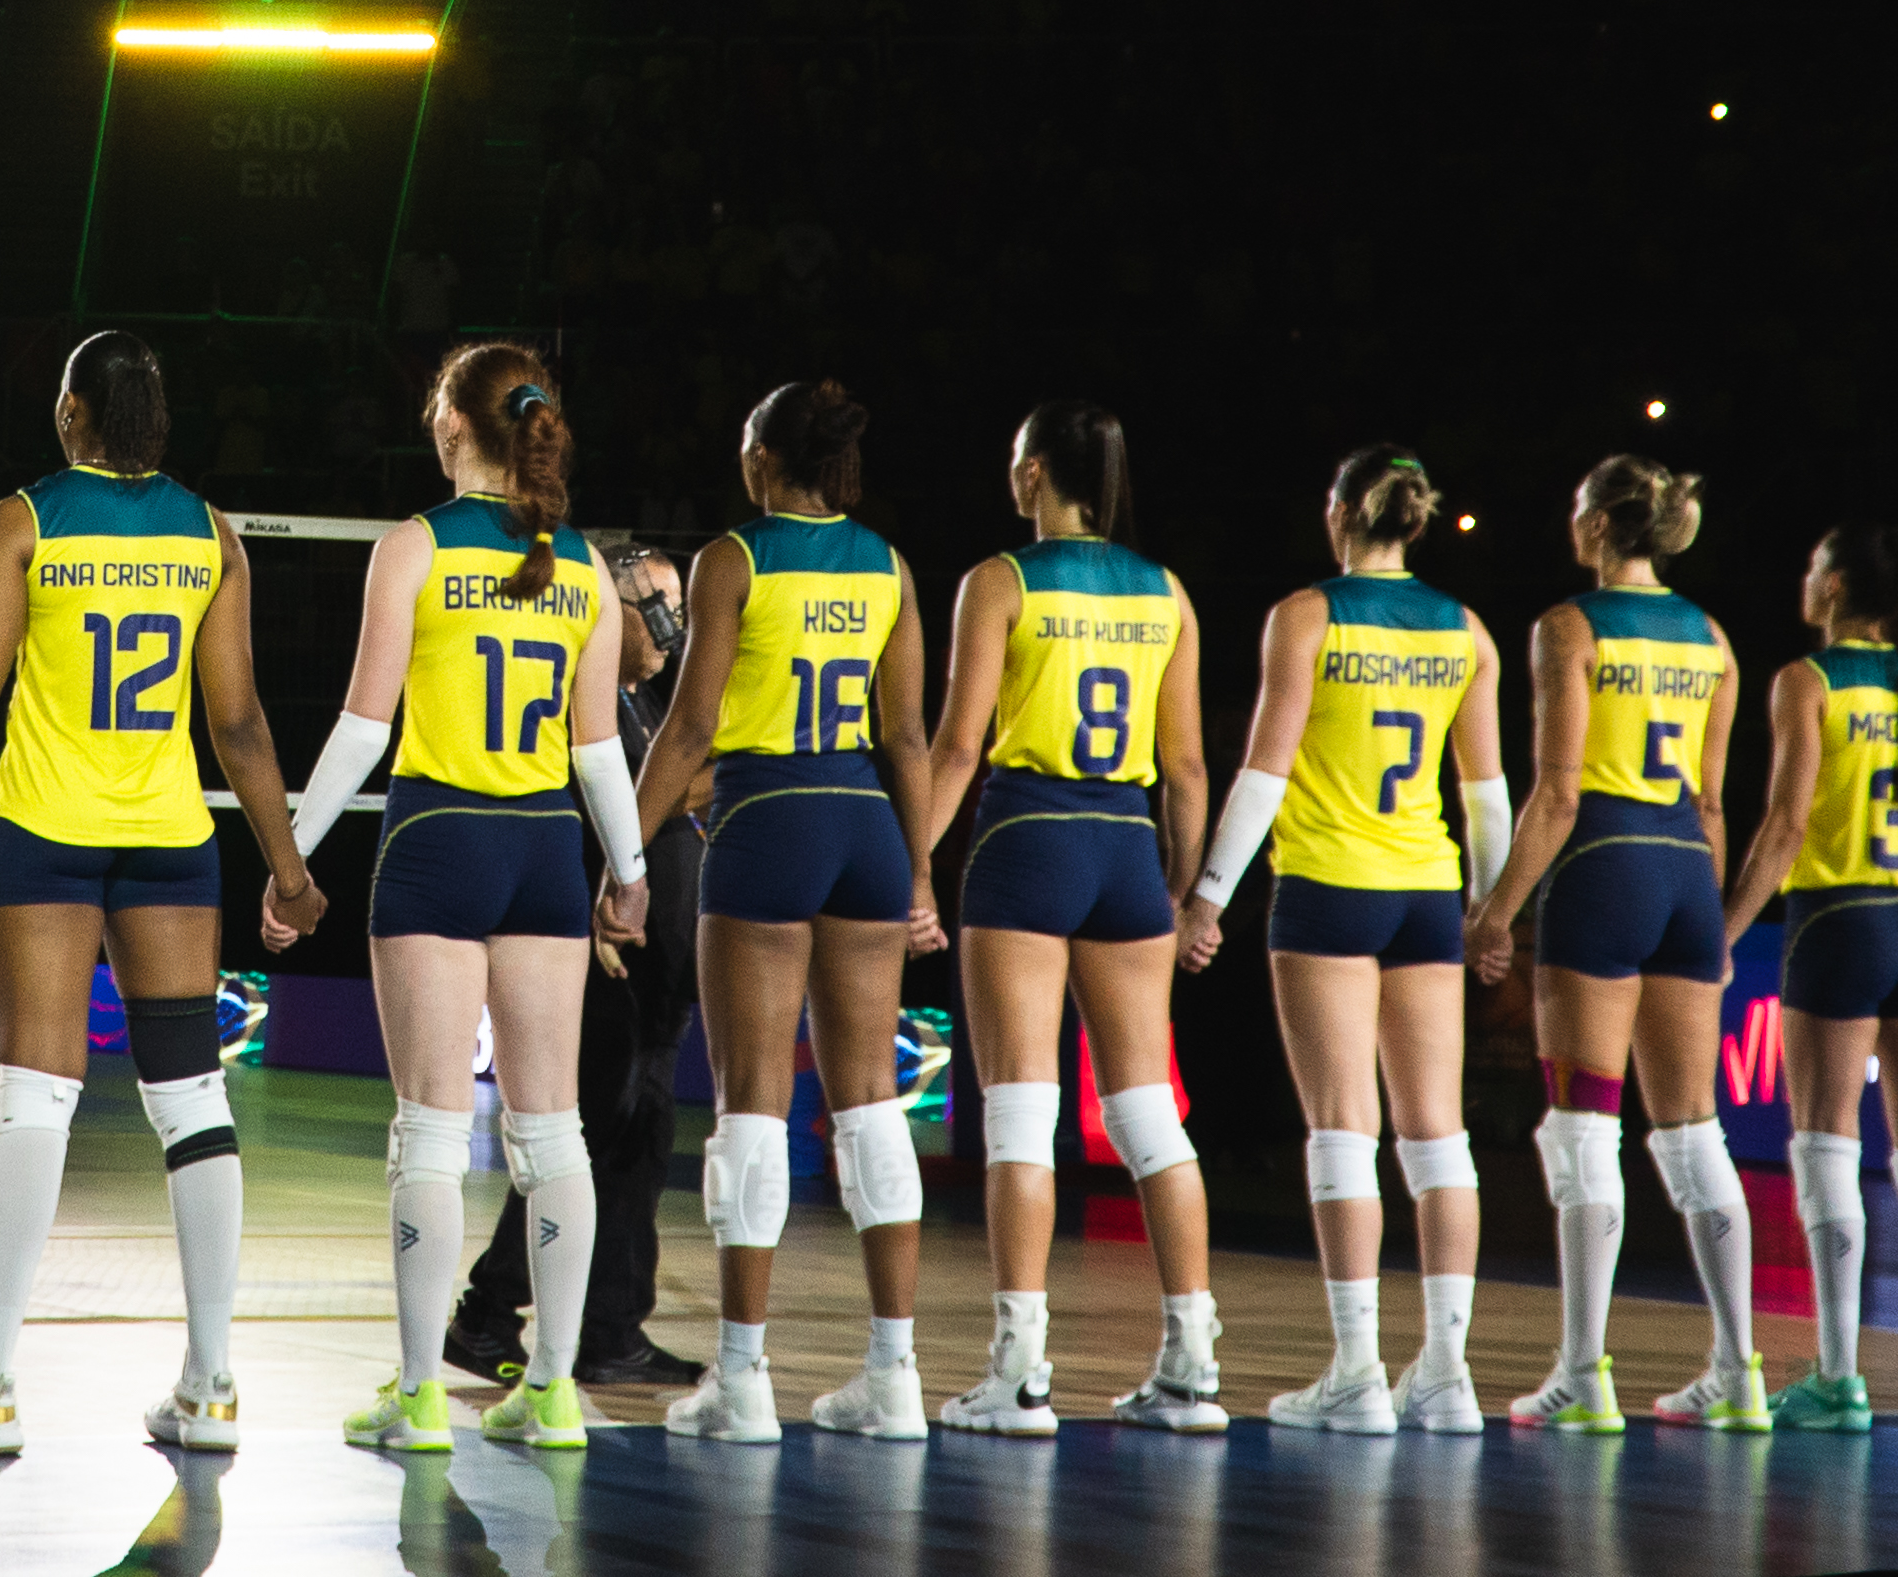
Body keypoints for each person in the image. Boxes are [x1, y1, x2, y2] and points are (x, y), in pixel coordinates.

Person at [0, 330, 329, 1455]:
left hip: (44, 838)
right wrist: (288, 872)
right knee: (192, 1099)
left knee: (36, 1099)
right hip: (169, 845)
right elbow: (239, 723)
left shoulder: (26, 521)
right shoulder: (210, 532)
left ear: (73, 413)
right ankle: (212, 1385)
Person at [281, 343, 654, 1455]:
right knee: (554, 1133)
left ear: (451, 426)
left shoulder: (415, 547)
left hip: (438, 842)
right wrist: (630, 875)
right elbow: (597, 753)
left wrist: (289, 857)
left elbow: (363, 728)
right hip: (543, 851)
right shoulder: (580, 566)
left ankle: (418, 1398)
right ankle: (553, 1393)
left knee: (431, 1132)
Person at [626, 378, 939, 1445]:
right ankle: (894, 1379)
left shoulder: (734, 558)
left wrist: (624, 855)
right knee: (871, 1104)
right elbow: (907, 737)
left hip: (767, 820)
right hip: (866, 827)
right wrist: (920, 874)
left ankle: (742, 1382)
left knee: (751, 1105)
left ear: (763, 459)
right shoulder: (888, 564)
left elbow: (688, 726)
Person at [905, 401, 1213, 1438]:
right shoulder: (1165, 590)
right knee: (1148, 1117)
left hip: (1027, 843)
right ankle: (1192, 1365)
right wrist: (1186, 894)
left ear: (1034, 473)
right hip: (1125, 851)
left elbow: (957, 747)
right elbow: (1185, 767)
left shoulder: (1000, 581)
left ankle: (1019, 1375)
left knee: (1019, 1117)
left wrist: (911, 868)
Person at [1190, 445, 1506, 1436]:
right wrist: (1493, 909)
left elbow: (1264, 772)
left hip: (1328, 887)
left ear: (1339, 513)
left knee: (1341, 1128)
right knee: (1437, 1133)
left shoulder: (1306, 615)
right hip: (1426, 890)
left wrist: (1207, 896)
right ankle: (1446, 1375)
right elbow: (1486, 793)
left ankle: (1358, 1375)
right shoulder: (1465, 629)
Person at [1470, 457, 1757, 1432]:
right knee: (1693, 1132)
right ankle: (1738, 1372)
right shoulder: (1710, 637)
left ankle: (1581, 1375)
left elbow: (1556, 794)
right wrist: (1709, 924)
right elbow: (1713, 802)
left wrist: (1497, 911)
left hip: (1602, 870)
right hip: (1684, 875)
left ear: (1596, 525)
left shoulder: (1568, 627)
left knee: (1583, 1130)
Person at [1718, 525, 1898, 1433]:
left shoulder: (1806, 682)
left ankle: (1839, 1377)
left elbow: (1785, 827)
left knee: (1824, 1143)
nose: (1804, 577)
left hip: (1837, 923)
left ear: (1838, 585)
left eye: (1814, 566)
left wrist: (1723, 933)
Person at [446, 540, 704, 1390]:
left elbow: (673, 780)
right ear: (610, 607)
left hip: (658, 958)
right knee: (586, 1131)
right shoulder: (582, 701)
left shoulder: (645, 702)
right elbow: (609, 802)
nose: (672, 628)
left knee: (639, 1135)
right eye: (658, 608)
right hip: (610, 948)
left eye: (680, 609)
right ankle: (490, 1311)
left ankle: (611, 1328)